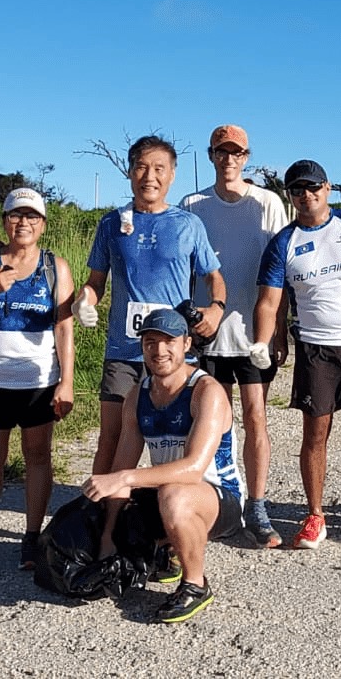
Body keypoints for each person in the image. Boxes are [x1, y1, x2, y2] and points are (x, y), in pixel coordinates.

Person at [250, 159, 341, 551]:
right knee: (315, 435)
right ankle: (315, 515)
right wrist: (274, 339)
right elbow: (270, 303)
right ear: (290, 196)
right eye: (298, 190)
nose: (307, 196)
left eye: (313, 187)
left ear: (327, 188)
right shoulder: (283, 242)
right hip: (315, 349)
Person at [74, 135, 226, 476]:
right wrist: (84, 301)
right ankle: (99, 517)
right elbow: (95, 282)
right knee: (111, 439)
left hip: (173, 353)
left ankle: (178, 515)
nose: (150, 176)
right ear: (129, 173)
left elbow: (214, 278)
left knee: (180, 440)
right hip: (124, 351)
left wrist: (216, 308)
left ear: (172, 175)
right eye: (141, 167)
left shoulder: (188, 224)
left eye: (159, 168)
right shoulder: (111, 224)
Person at [82, 308, 240, 624]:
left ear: (186, 344)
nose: (159, 350)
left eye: (169, 341)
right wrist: (107, 537)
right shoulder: (137, 395)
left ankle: (196, 585)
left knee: (173, 494)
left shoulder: (206, 391)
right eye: (151, 342)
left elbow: (193, 469)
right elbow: (122, 467)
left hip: (220, 498)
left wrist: (123, 477)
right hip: (169, 494)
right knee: (109, 507)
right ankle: (169, 553)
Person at [178, 124, 290, 548]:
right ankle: (221, 502)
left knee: (256, 417)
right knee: (212, 422)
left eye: (237, 153)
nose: (229, 160)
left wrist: (278, 331)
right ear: (210, 156)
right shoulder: (193, 205)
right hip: (207, 334)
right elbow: (184, 270)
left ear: (247, 157)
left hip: (252, 334)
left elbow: (280, 271)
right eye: (221, 152)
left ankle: (257, 506)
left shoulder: (268, 203)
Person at [0, 188, 74, 573]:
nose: (23, 223)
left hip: (39, 380)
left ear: (42, 224)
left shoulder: (56, 266)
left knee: (38, 458)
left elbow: (64, 329)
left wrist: (66, 381)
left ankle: (31, 539)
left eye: (32, 216)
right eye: (16, 215)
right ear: (4, 221)